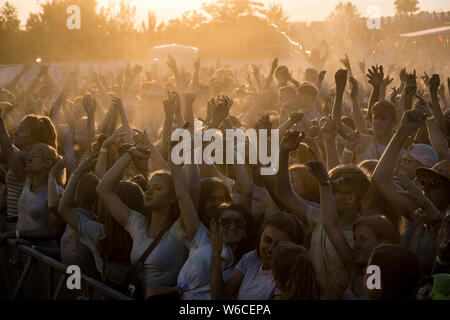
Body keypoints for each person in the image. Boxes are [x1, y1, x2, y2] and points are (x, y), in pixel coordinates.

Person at [275, 130, 370, 299]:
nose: (325, 192)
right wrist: (283, 152)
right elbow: (284, 194)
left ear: (351, 198)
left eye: (332, 189)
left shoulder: (363, 235)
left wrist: (325, 183)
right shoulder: (318, 216)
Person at [96, 146, 189, 296]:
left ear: (173, 197)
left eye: (157, 188)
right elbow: (103, 189)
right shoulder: (138, 224)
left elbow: (189, 191)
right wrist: (130, 154)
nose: (149, 191)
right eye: (147, 187)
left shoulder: (180, 229)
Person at [210, 213, 304, 300]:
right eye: (268, 240)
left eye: (279, 245)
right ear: (260, 237)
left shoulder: (286, 276)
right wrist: (216, 255)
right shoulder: (251, 258)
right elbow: (220, 296)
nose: (271, 249)